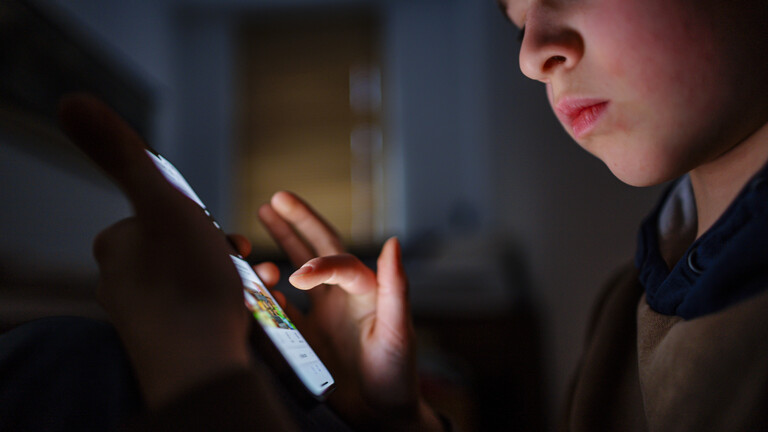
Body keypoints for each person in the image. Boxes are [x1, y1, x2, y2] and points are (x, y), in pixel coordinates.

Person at [9, 0, 768, 429]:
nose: (533, 51)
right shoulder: (632, 298)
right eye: (516, 17)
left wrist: (199, 380)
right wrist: (392, 416)